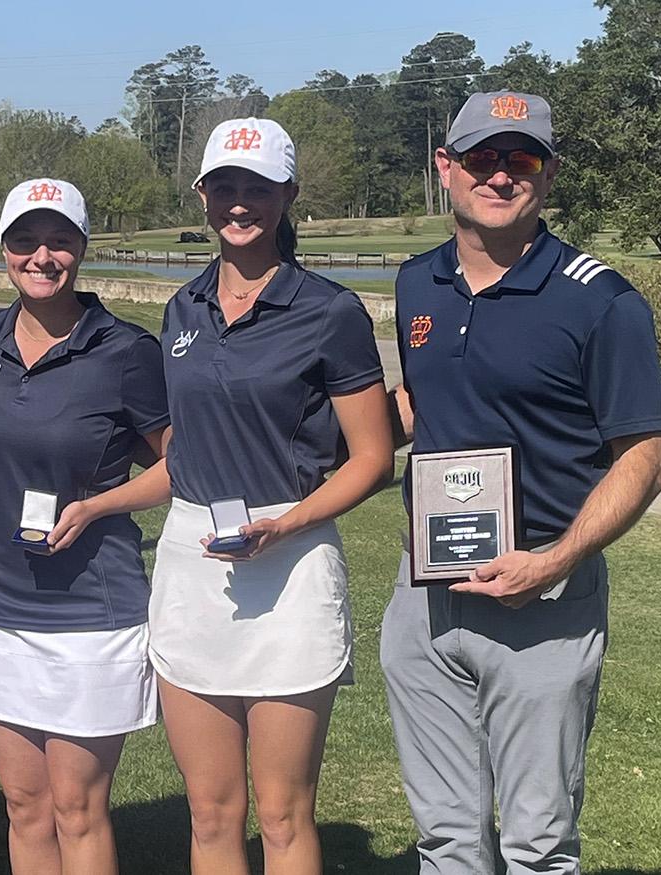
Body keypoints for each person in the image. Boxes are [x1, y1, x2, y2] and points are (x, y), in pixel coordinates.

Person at [381, 91, 661, 874]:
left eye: (522, 159)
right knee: (445, 838)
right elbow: (420, 402)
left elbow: (644, 454)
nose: (500, 175)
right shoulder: (417, 283)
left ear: (547, 174)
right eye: (483, 157)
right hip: (427, 595)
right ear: (447, 168)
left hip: (544, 593)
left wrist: (554, 560)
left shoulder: (602, 301)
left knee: (538, 845)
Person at [150, 117, 395, 873]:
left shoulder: (330, 310)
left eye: (258, 186)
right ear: (201, 193)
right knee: (211, 810)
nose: (239, 201)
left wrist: (286, 525)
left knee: (285, 814)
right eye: (224, 184)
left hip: (291, 562)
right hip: (193, 564)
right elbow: (181, 448)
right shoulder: (182, 307)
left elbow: (374, 457)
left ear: (288, 194)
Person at [0, 179, 169, 875]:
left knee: (78, 808)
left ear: (82, 248)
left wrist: (99, 504)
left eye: (59, 240)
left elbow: (180, 466)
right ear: (4, 248)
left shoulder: (126, 350)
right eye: (26, 240)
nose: (42, 255)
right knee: (26, 806)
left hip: (92, 611)